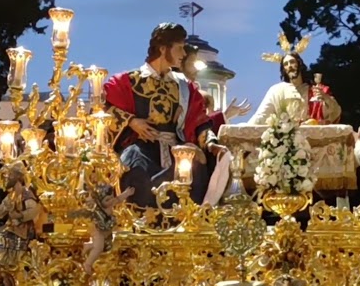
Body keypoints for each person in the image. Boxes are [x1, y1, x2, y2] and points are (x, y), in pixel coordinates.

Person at [104, 22, 223, 207]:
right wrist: (132, 121)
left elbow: (199, 120)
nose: (183, 54)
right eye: (180, 48)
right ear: (162, 48)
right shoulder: (128, 81)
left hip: (176, 150)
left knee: (195, 168)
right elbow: (105, 110)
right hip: (141, 149)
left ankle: (186, 226)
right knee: (135, 171)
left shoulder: (184, 86)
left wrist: (211, 142)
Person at [248, 52, 341, 125]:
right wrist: (243, 129)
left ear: (299, 64)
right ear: (284, 69)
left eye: (292, 62)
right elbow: (261, 115)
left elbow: (334, 113)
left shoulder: (313, 91)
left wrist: (326, 98)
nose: (289, 66)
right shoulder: (276, 90)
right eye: (285, 64)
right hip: (284, 140)